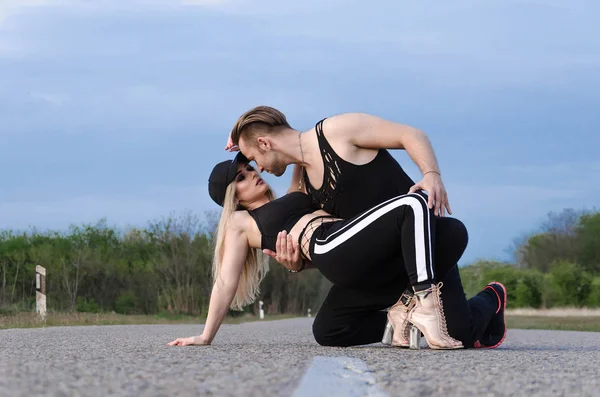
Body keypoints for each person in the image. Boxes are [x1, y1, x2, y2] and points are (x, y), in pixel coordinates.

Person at [222, 106, 507, 349]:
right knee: (329, 330)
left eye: (253, 158)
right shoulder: (303, 184)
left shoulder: (338, 131)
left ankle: (491, 296)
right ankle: (404, 316)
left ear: (264, 143)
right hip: (380, 267)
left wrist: (431, 175)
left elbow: (411, 135)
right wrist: (298, 263)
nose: (257, 167)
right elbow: (332, 242)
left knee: (461, 335)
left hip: (422, 249)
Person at [168, 153, 466, 349]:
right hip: (333, 249)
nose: (253, 173)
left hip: (357, 245)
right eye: (241, 178)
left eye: (249, 167)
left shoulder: (294, 192)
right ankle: (402, 320)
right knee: (328, 331)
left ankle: (421, 304)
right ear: (233, 197)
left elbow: (297, 150)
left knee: (450, 232)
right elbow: (225, 281)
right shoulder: (241, 222)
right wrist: (206, 336)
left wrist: (247, 133)